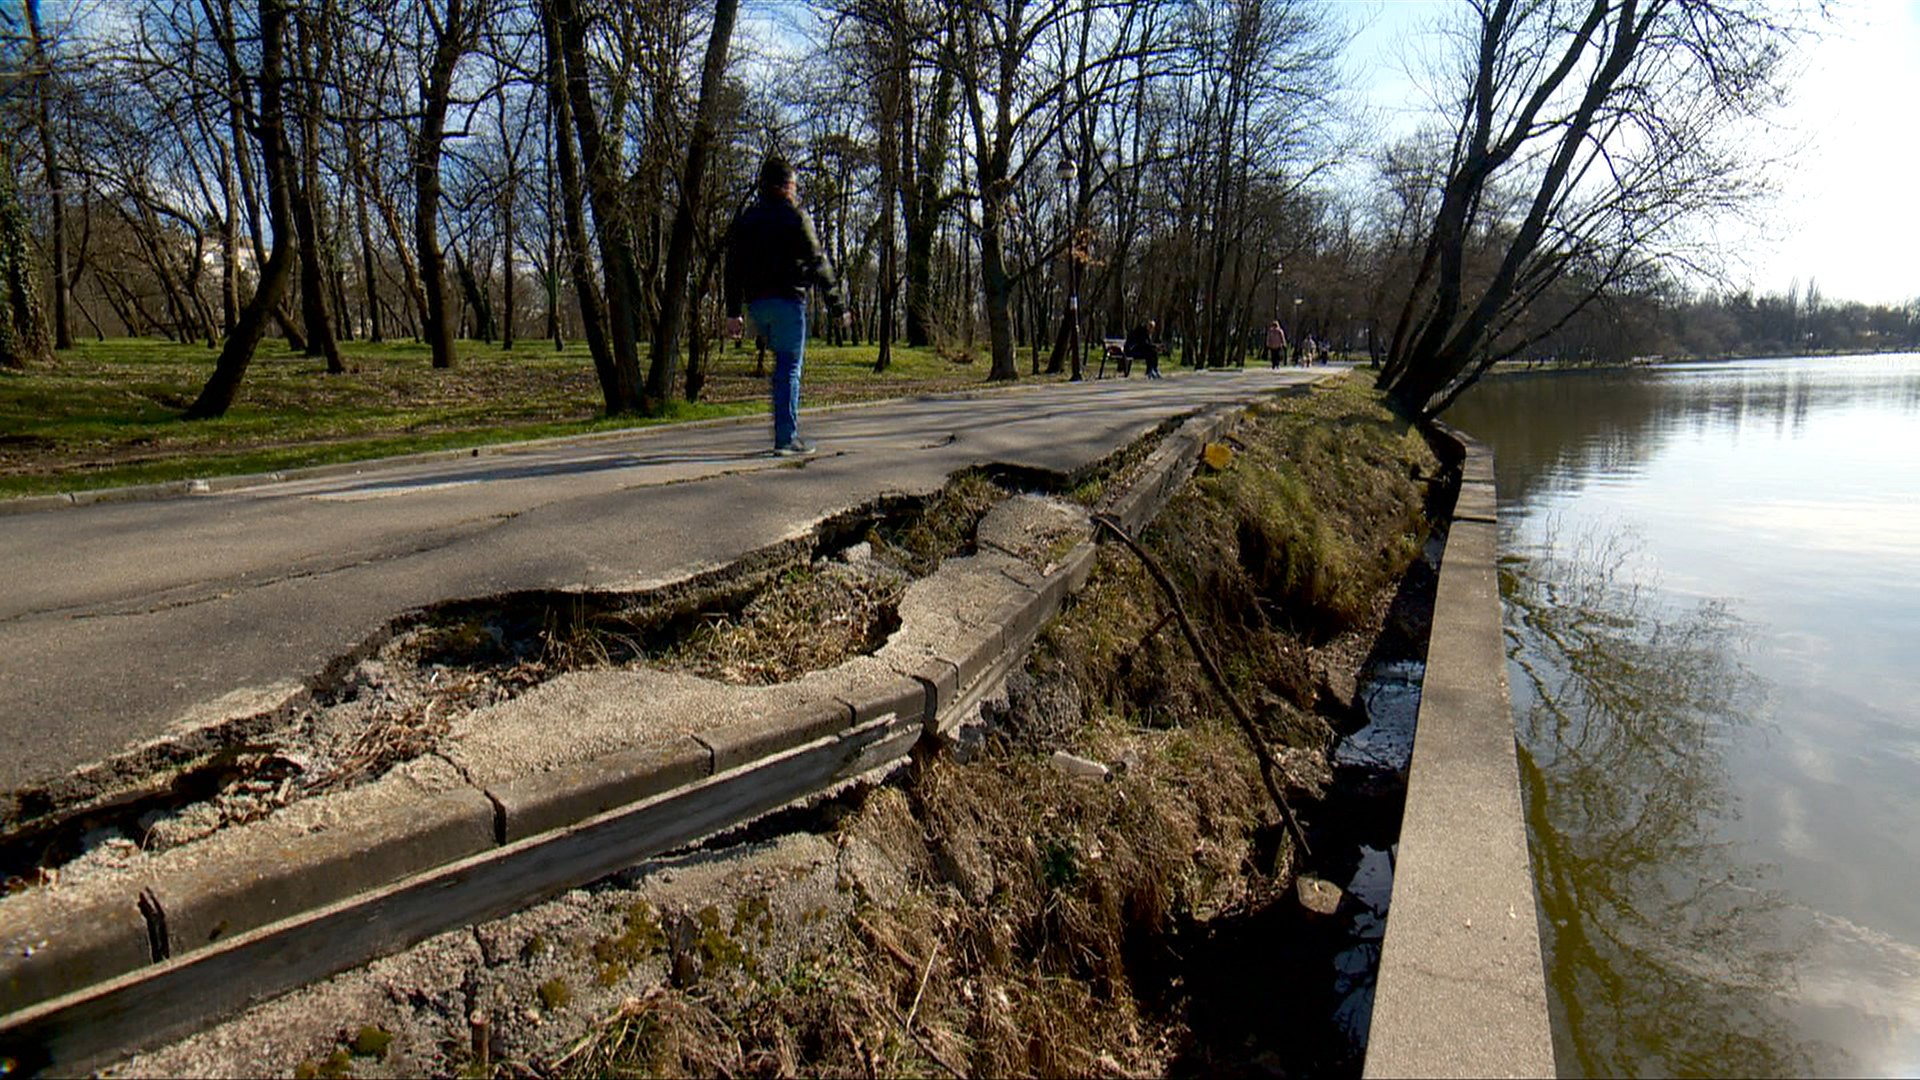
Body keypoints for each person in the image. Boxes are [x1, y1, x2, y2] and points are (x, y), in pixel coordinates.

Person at [725, 155, 849, 456]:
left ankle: (784, 432)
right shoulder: (796, 219)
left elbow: (733, 268)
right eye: (794, 184)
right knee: (789, 369)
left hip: (757, 305)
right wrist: (838, 306)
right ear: (784, 186)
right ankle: (786, 439)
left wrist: (733, 313)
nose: (795, 190)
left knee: (781, 368)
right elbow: (818, 262)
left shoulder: (745, 221)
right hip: (787, 302)